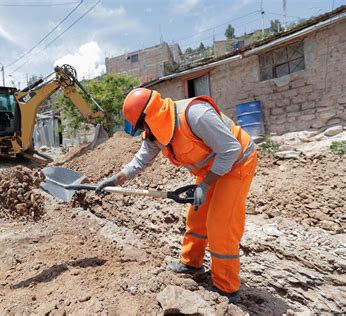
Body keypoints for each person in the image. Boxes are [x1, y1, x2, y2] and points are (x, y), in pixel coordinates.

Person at [95, 88, 257, 303]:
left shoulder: (195, 115)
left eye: (141, 125)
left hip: (237, 162)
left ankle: (227, 288)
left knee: (221, 224)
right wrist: (117, 179)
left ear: (149, 116)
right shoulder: (156, 133)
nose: (143, 131)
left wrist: (205, 185)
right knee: (197, 217)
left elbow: (230, 150)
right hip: (211, 169)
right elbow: (141, 160)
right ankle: (192, 263)